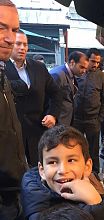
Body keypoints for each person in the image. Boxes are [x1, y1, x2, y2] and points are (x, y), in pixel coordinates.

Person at [0, 2, 28, 220]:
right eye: (1, 27)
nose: (9, 38)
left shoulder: (3, 76)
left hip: (14, 196)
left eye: (15, 29)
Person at [5, 30, 62, 167]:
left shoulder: (38, 67)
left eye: (25, 44)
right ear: (10, 45)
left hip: (37, 130)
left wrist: (52, 114)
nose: (22, 48)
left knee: (39, 169)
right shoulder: (2, 68)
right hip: (11, 133)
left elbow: (56, 93)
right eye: (18, 44)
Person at [73, 48, 104, 173]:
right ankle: (77, 172)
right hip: (76, 120)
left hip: (93, 120)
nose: (95, 65)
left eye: (98, 62)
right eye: (93, 61)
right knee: (75, 148)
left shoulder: (103, 77)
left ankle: (94, 175)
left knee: (93, 151)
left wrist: (99, 119)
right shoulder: (78, 73)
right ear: (86, 59)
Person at [50, 51, 88, 126]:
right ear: (72, 63)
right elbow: (50, 101)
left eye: (85, 68)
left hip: (66, 121)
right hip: (57, 123)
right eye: (82, 67)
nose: (84, 71)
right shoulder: (58, 75)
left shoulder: (71, 75)